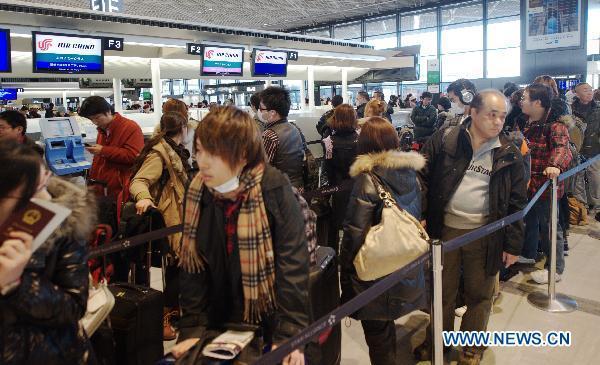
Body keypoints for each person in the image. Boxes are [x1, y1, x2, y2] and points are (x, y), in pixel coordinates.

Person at [171, 106, 309, 365]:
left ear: (243, 154)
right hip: (216, 318)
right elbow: (192, 268)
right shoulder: (198, 190)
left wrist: (290, 334)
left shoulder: (273, 187)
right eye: (199, 150)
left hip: (266, 318)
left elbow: (292, 267)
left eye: (215, 153)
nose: (202, 161)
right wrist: (191, 328)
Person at [416, 90, 527, 364]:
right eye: (492, 115)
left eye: (502, 116)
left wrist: (512, 245)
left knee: (481, 294)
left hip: (486, 234)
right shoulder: (445, 139)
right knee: (441, 292)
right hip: (445, 231)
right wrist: (421, 213)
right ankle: (437, 344)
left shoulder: (509, 152)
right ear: (473, 112)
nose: (498, 122)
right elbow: (421, 176)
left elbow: (516, 203)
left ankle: (471, 347)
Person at [0, 141, 96, 365]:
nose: (44, 201)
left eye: (44, 187)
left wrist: (17, 284)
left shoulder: (64, 227)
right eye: (32, 194)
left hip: (52, 353)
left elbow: (74, 306)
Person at [340, 117, 426, 365]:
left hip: (375, 271)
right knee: (386, 328)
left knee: (378, 335)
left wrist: (345, 269)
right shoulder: (410, 172)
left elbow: (354, 232)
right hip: (403, 262)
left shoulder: (368, 179)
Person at [130, 111, 192, 340]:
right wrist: (143, 198)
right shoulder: (160, 153)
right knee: (173, 269)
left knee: (180, 269)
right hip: (171, 217)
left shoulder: (174, 150)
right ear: (182, 128)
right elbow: (139, 180)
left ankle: (175, 312)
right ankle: (167, 316)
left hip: (182, 215)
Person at [519, 83, 572, 283]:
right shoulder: (526, 122)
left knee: (550, 226)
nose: (521, 101)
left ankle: (555, 269)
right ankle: (529, 252)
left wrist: (555, 166)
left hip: (546, 185)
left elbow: (562, 149)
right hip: (528, 183)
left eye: (525, 98)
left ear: (537, 102)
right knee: (530, 221)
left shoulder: (556, 125)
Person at [80, 95, 144, 199]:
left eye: (97, 118)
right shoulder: (103, 130)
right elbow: (99, 161)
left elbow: (134, 156)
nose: (95, 122)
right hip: (102, 188)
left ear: (108, 111)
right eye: (91, 119)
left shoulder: (130, 127)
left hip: (119, 190)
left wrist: (103, 150)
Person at [322, 104, 359, 249]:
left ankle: (336, 257)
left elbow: (327, 170)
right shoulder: (360, 138)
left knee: (336, 225)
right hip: (358, 187)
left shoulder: (329, 142)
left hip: (337, 189)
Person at [260, 86, 305, 189]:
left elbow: (261, 169)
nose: (260, 112)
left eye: (262, 109)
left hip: (279, 191)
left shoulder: (269, 135)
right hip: (297, 187)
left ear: (272, 113)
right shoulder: (295, 128)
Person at [571, 82, 599, 213]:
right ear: (577, 94)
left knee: (596, 178)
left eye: (590, 89)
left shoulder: (598, 108)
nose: (589, 92)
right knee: (577, 179)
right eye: (585, 90)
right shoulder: (571, 109)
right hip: (577, 150)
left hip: (595, 149)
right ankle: (581, 205)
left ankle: (596, 205)